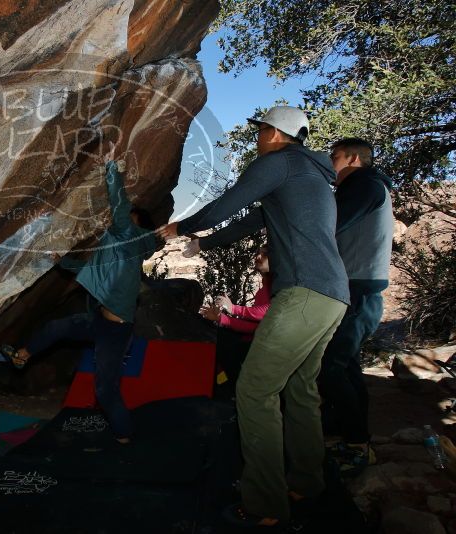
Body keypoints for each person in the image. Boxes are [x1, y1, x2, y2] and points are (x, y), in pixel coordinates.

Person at [157, 106, 349, 527]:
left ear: (276, 133)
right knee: (299, 390)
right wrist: (204, 246)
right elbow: (256, 218)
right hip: (333, 295)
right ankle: (308, 483)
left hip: (301, 293)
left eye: (261, 130)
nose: (258, 138)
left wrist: (179, 228)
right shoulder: (311, 176)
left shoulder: (278, 162)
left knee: (254, 391)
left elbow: (229, 203)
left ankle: (264, 507)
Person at [0, 151, 158, 445]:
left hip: (116, 330)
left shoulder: (129, 236)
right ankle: (22, 356)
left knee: (105, 390)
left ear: (137, 226)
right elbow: (92, 270)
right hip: (99, 320)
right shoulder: (120, 250)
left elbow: (120, 208)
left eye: (129, 220)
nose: (119, 221)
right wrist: (63, 261)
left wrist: (111, 168)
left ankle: (125, 438)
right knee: (55, 328)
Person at [317, 138, 393, 476]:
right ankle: (347, 436)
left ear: (353, 158)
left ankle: (358, 444)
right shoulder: (367, 188)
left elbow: (326, 227)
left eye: (334, 157)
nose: (331, 163)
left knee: (331, 366)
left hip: (358, 290)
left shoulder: (366, 186)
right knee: (345, 366)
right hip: (354, 288)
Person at [200, 246, 272, 398]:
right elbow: (254, 326)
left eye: (264, 253)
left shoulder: (278, 286)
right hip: (253, 342)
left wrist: (233, 309)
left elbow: (267, 313)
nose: (258, 256)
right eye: (257, 253)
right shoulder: (263, 290)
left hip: (266, 348)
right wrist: (221, 318)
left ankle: (235, 390)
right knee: (218, 336)